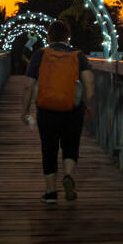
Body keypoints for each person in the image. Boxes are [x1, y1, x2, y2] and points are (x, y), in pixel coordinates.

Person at [21, 19, 94, 205]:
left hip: (46, 109)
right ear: (67, 37)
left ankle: (51, 192)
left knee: (49, 148)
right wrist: (87, 103)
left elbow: (28, 86)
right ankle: (68, 175)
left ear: (48, 36)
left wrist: (25, 110)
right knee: (71, 145)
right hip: (72, 108)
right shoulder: (79, 55)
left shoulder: (40, 55)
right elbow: (89, 82)